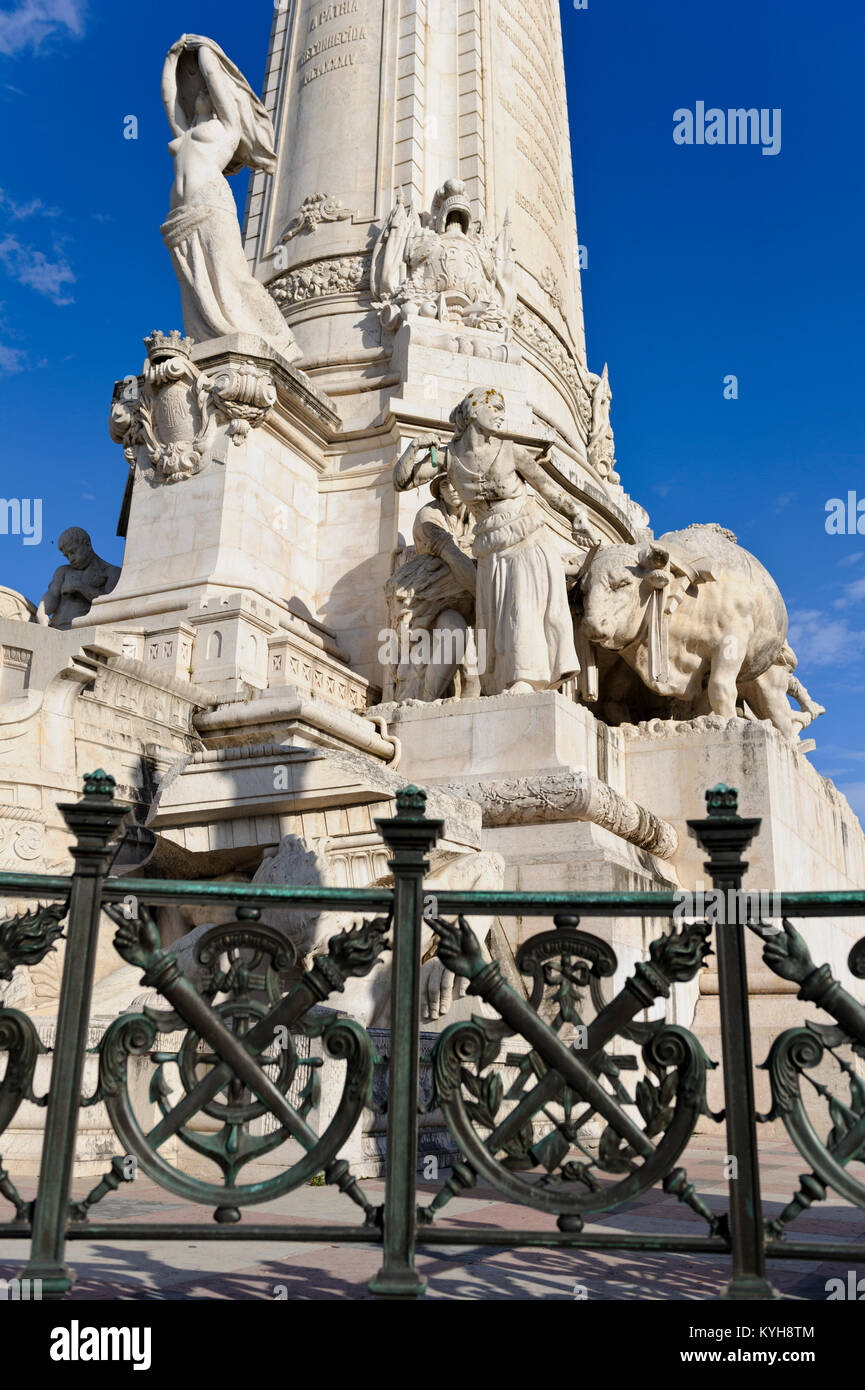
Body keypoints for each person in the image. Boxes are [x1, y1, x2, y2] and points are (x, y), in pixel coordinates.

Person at [394, 388, 598, 695]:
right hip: (490, 547)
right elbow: (403, 481)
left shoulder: (511, 450)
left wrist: (576, 515)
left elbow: (549, 490)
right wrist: (414, 447)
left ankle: (525, 680)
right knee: (498, 621)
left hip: (525, 538)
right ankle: (507, 682)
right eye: (496, 407)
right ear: (475, 412)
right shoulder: (449, 458)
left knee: (522, 607)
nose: (502, 414)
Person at [161, 35, 300, 360]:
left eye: (210, 90)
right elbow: (170, 99)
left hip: (212, 205)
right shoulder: (186, 134)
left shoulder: (226, 129)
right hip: (181, 214)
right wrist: (173, 56)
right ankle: (210, 342)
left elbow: (213, 78)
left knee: (232, 274)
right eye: (203, 91)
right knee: (196, 287)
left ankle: (281, 343)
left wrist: (207, 52)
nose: (203, 92)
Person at [36, 528, 121, 629]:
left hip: (86, 631)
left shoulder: (112, 572)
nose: (71, 559)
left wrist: (80, 587)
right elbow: (52, 594)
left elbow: (110, 607)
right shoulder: (63, 571)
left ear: (88, 545)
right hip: (56, 630)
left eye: (73, 552)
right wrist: (41, 613)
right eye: (66, 556)